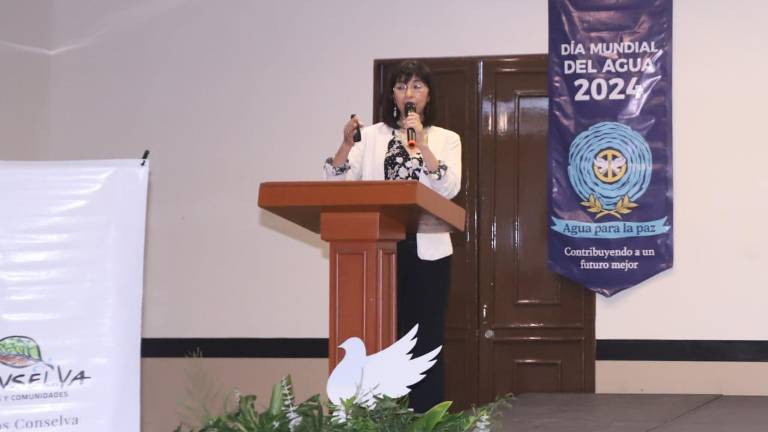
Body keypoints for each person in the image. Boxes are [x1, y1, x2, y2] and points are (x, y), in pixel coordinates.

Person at [322, 60, 461, 412]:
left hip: (428, 252)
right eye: (401, 86)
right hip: (380, 250)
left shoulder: (446, 139)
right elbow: (336, 183)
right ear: (392, 95)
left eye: (416, 86)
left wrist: (423, 144)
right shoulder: (371, 137)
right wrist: (345, 145)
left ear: (429, 95)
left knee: (425, 342)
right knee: (381, 337)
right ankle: (379, 419)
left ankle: (426, 420)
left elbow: (449, 189)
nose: (408, 93)